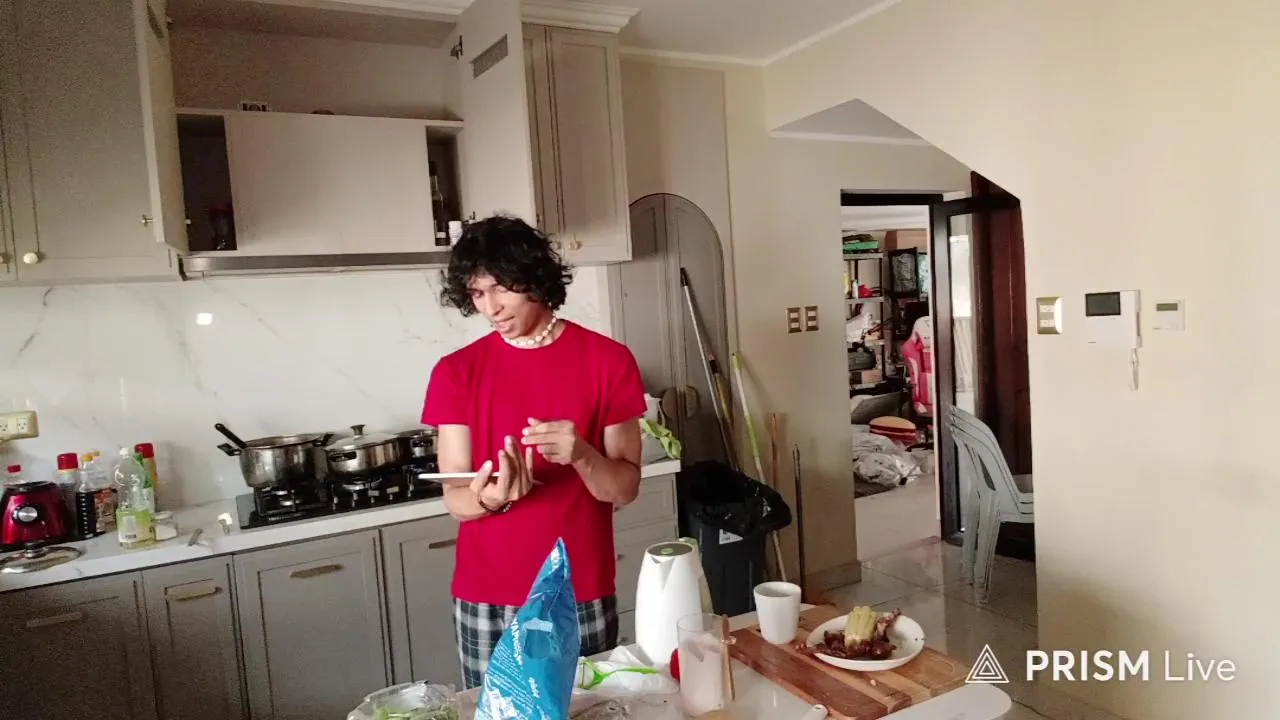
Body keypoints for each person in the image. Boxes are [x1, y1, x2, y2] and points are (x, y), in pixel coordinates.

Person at [421, 214, 647, 690]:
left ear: (535, 278)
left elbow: (625, 489)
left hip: (577, 589)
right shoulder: (455, 373)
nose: (491, 307)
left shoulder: (608, 361)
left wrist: (582, 455)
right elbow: (456, 497)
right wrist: (492, 497)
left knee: (584, 709)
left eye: (500, 288)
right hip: (487, 594)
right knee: (496, 712)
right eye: (477, 293)